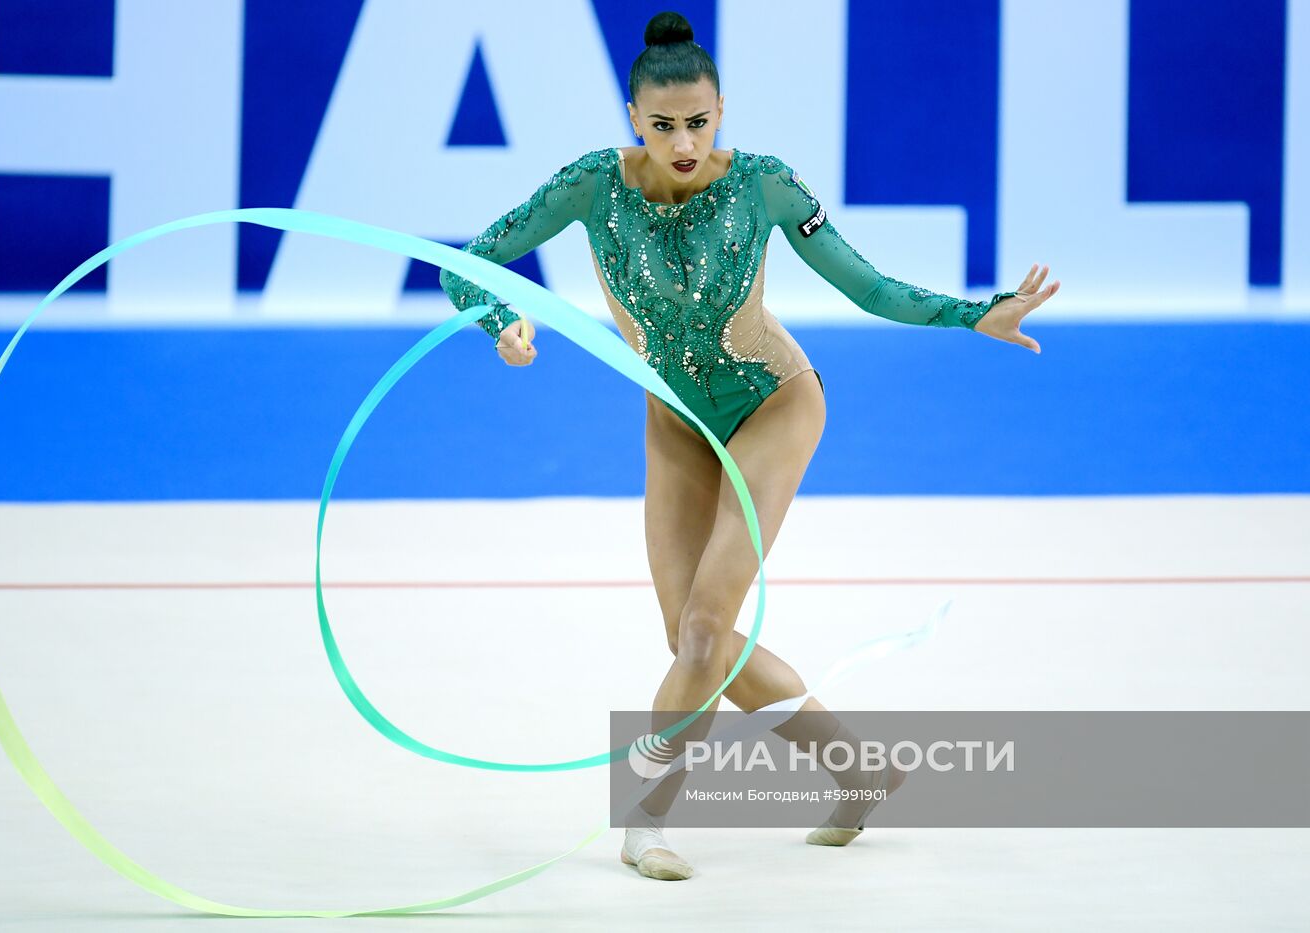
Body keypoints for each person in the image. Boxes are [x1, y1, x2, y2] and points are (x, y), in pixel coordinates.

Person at [440, 10, 1058, 881]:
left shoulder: (765, 185)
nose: (683, 141)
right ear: (633, 121)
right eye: (662, 126)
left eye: (698, 121)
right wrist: (500, 321)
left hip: (775, 404)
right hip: (675, 420)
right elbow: (468, 262)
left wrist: (970, 312)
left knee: (701, 630)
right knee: (694, 640)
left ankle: (644, 816)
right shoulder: (591, 186)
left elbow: (867, 284)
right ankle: (858, 769)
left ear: (721, 109)